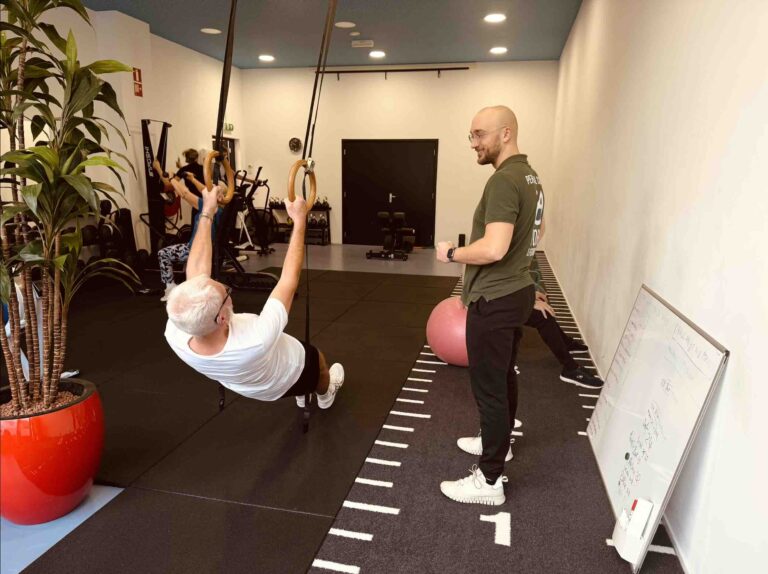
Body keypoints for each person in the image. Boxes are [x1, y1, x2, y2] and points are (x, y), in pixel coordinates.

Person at [436, 105, 544, 506]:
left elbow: (495, 247)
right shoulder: (531, 177)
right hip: (517, 293)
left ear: (505, 133)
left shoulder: (503, 180)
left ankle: (490, 479)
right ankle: (498, 443)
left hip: (495, 298)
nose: (474, 144)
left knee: (489, 388)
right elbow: (535, 233)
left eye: (479, 134)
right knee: (503, 377)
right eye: (471, 136)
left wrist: (451, 254)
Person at [164, 179, 344, 409]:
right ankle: (325, 394)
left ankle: (304, 390)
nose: (226, 290)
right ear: (222, 318)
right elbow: (288, 281)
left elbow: (196, 271)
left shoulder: (177, 329)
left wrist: (207, 211)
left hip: (249, 386)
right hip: (288, 374)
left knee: (299, 366)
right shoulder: (255, 339)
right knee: (317, 361)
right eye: (225, 292)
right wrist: (299, 221)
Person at [159, 174, 223, 301]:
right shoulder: (220, 209)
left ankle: (170, 288)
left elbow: (184, 194)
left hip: (193, 250)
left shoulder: (208, 207)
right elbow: (203, 190)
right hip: (207, 249)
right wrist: (193, 179)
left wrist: (171, 178)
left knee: (163, 253)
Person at [175, 149, 205, 220]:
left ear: (187, 159)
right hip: (206, 199)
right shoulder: (203, 168)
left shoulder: (184, 170)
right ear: (196, 158)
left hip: (195, 201)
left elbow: (172, 183)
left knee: (196, 223)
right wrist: (181, 168)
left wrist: (159, 170)